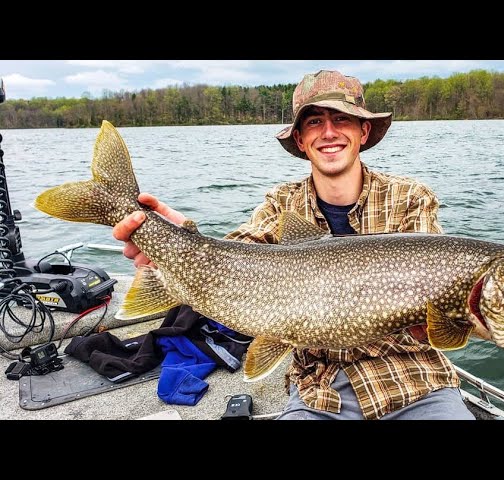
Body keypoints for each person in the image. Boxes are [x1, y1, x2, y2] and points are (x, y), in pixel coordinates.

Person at [113, 70, 475, 420]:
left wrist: (469, 318)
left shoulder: (410, 197)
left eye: (342, 120)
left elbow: (439, 294)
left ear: (364, 131)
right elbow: (235, 252)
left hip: (413, 379)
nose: (329, 132)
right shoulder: (281, 203)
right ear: (300, 139)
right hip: (319, 387)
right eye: (315, 122)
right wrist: (181, 241)